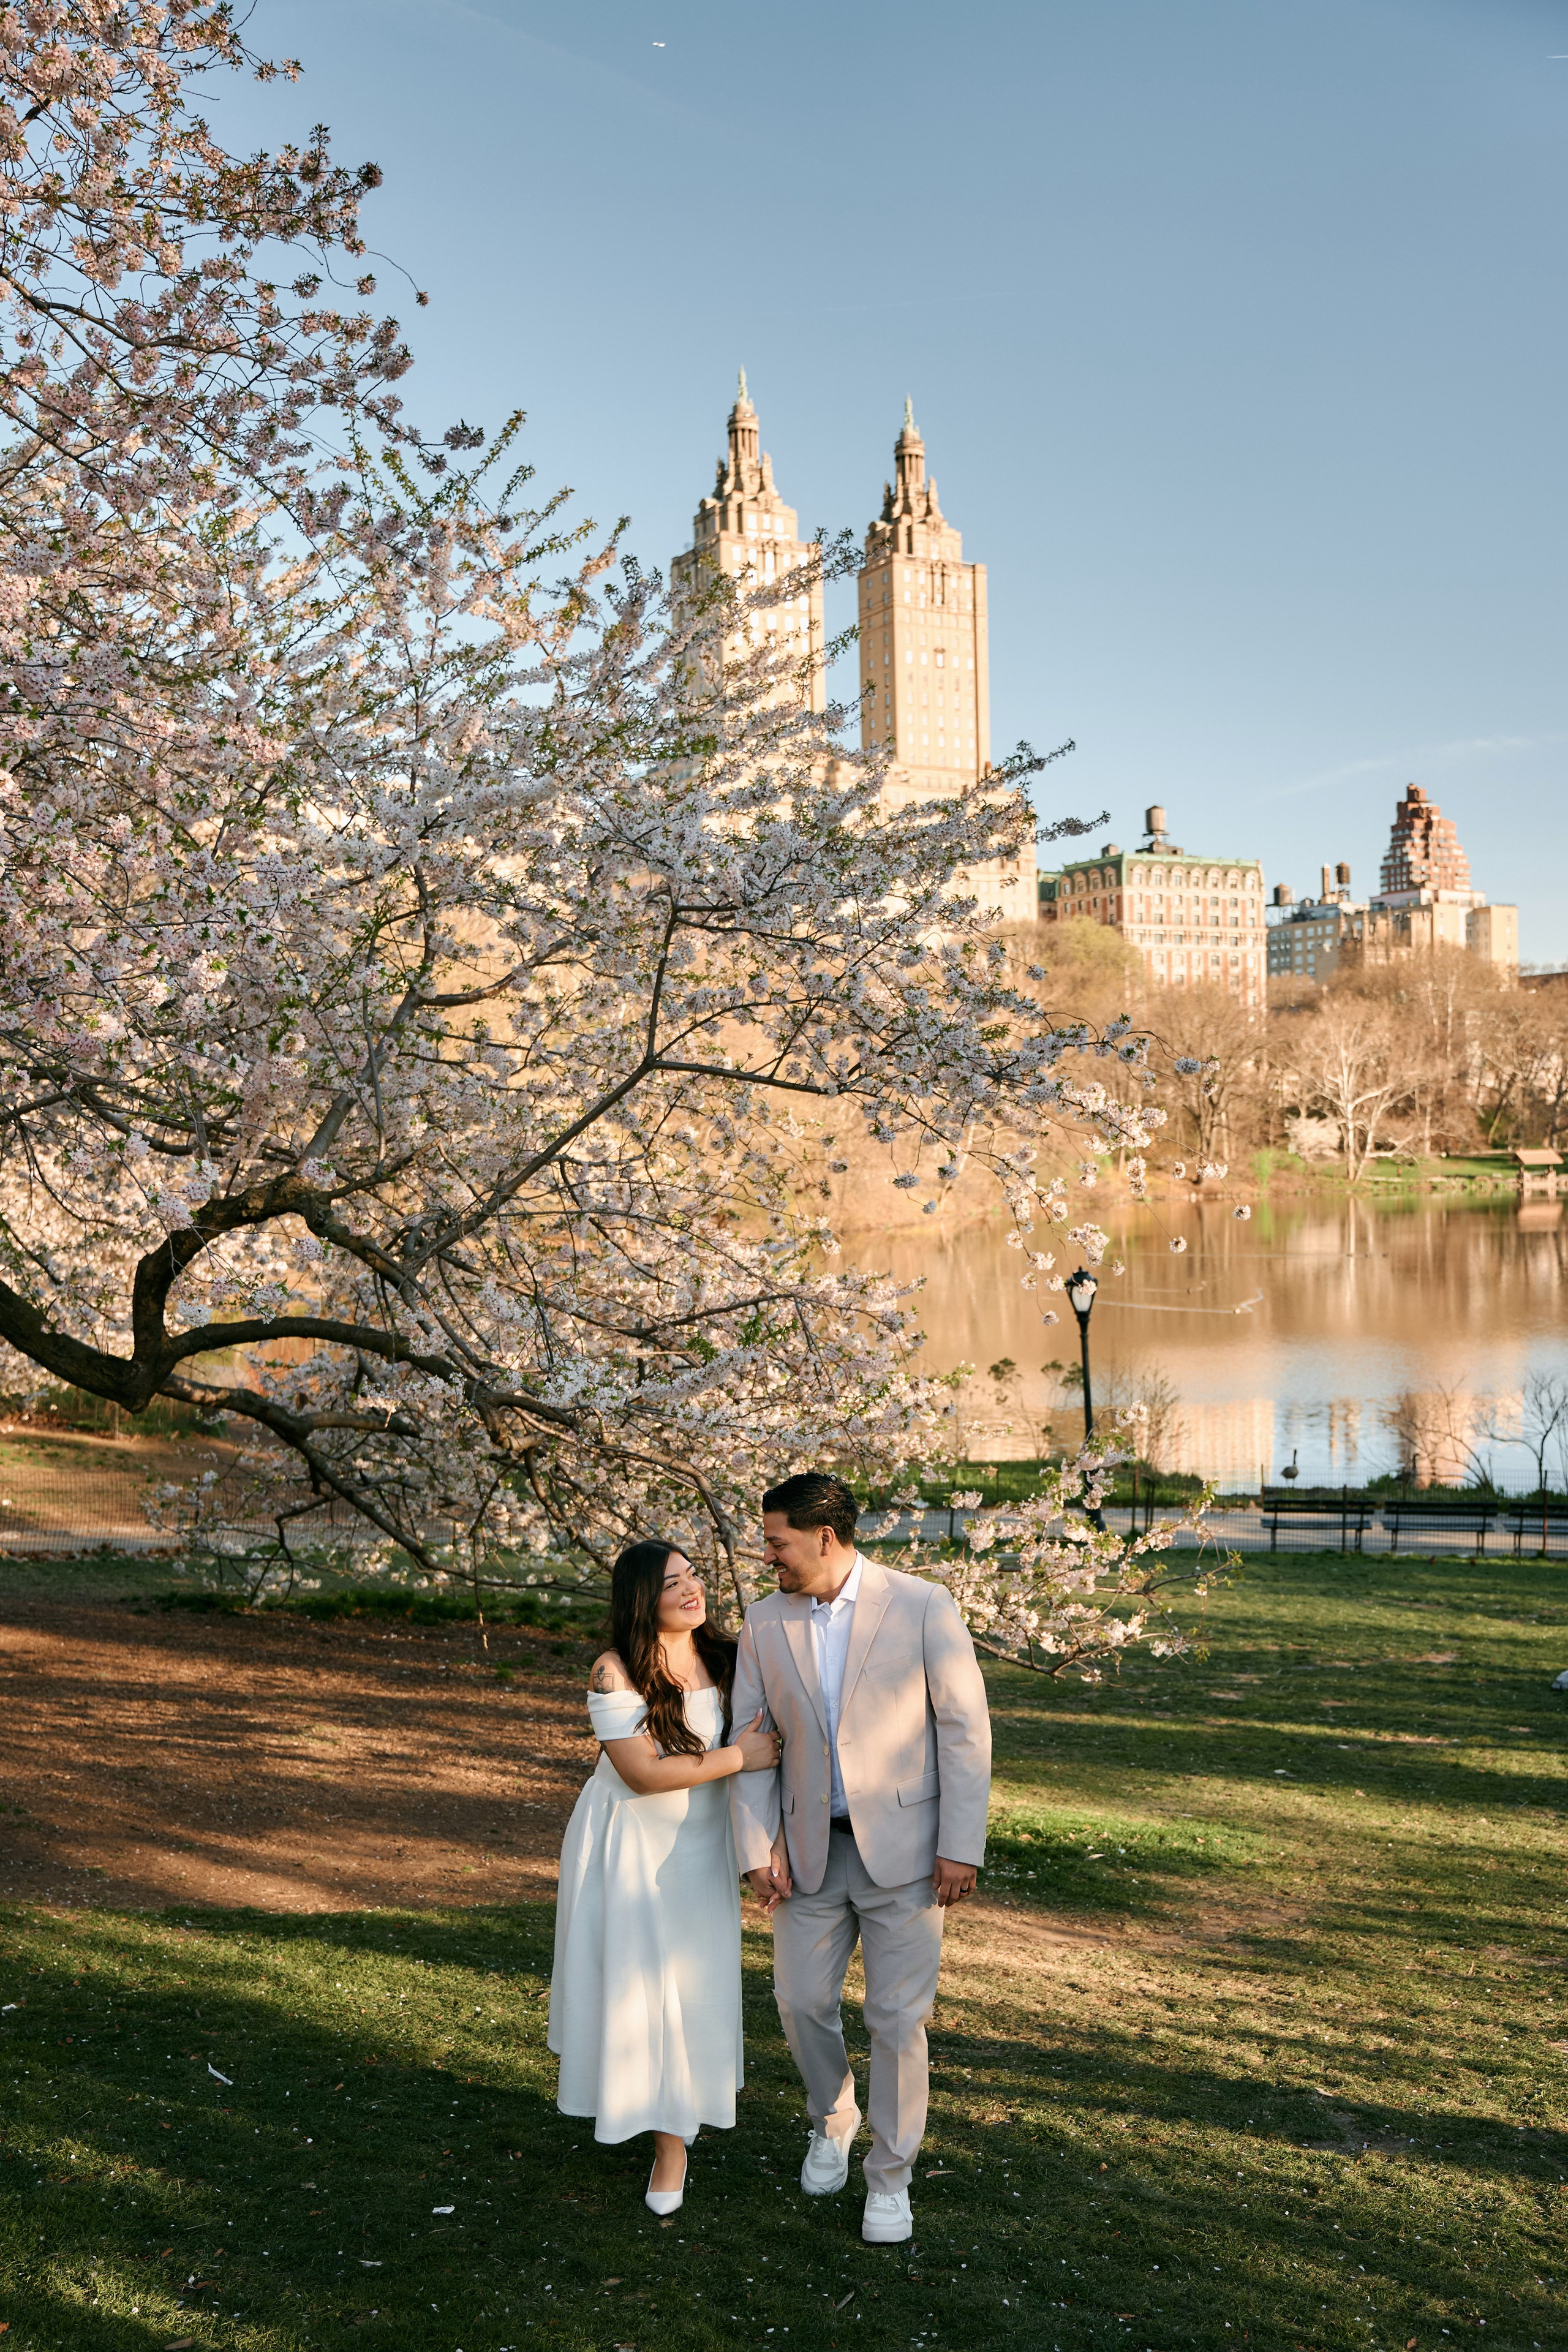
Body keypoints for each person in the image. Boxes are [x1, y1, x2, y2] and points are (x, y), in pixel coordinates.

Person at [729, 1471, 991, 2245]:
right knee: (800, 2001)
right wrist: (753, 1849)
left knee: (897, 2020)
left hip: (909, 1857)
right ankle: (832, 2118)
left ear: (824, 1536)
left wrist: (958, 1845)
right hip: (807, 1857)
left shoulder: (921, 1605)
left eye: (776, 1542)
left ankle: (891, 2175)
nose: (767, 1555)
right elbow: (749, 1744)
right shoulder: (762, 1622)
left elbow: (964, 1731)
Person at [549, 1538, 781, 2215]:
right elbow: (644, 1774)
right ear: (640, 1600)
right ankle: (668, 2147)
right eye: (672, 1581)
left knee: (694, 1985)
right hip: (628, 1847)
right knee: (637, 1986)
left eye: (694, 1574)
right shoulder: (614, 1672)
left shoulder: (731, 1660)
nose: (691, 1589)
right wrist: (739, 1757)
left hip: (700, 1849)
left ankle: (683, 2112)